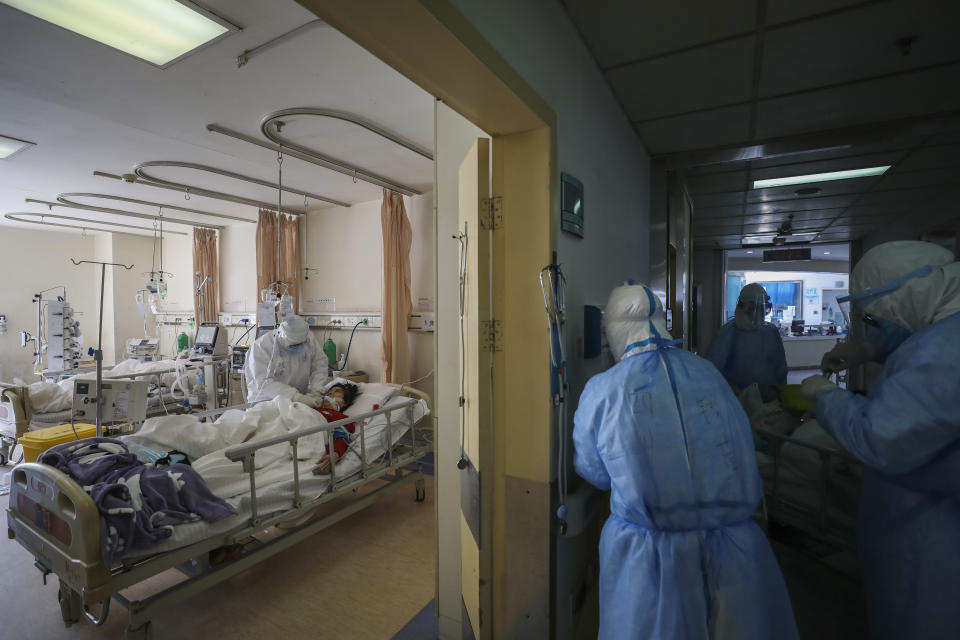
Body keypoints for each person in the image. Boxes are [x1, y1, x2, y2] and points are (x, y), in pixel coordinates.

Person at [573, 281, 798, 640]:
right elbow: (740, 443)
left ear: (612, 332)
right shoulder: (706, 373)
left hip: (650, 560)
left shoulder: (604, 389)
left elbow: (593, 472)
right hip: (735, 551)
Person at [799, 240, 960, 640]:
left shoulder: (946, 349)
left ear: (908, 294)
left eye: (876, 317)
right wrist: (869, 348)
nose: (875, 323)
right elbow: (912, 344)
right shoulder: (941, 335)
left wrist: (825, 396)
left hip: (932, 544)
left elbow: (881, 438)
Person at [703, 283, 787, 401]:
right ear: (741, 307)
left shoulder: (771, 332)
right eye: (752, 309)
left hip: (769, 399)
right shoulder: (728, 334)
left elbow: (781, 368)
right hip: (738, 402)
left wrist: (782, 394)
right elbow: (711, 371)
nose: (757, 314)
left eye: (761, 308)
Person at [244, 315, 328, 405]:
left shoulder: (309, 339)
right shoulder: (261, 347)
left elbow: (320, 364)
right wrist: (295, 397)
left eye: (300, 344)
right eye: (293, 345)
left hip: (299, 401)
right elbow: (263, 381)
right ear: (281, 335)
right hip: (265, 401)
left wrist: (316, 389)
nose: (297, 347)